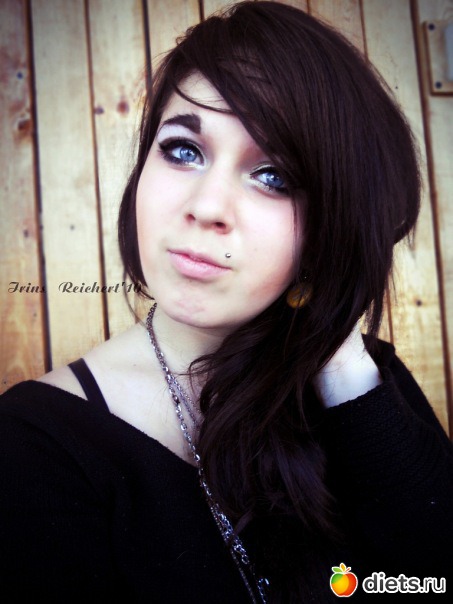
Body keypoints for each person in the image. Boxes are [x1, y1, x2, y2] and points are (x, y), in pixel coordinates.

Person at [1, 2, 452, 602]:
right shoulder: (34, 444)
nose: (207, 207)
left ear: (331, 222)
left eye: (274, 176)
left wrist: (340, 358)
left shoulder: (364, 383)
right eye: (183, 150)